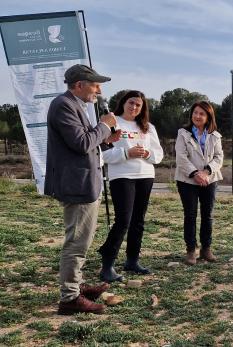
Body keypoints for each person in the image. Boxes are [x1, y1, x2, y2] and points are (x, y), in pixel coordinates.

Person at [45, 64, 122, 314]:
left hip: (85, 183)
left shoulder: (75, 105)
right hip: (77, 186)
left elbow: (86, 143)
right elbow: (81, 143)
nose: (99, 90)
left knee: (81, 240)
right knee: (77, 243)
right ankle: (69, 299)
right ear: (79, 85)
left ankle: (76, 286)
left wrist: (106, 140)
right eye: (95, 84)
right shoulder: (63, 105)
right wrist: (104, 126)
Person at [98, 91, 164, 282]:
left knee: (138, 221)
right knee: (123, 221)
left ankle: (132, 261)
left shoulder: (148, 127)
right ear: (123, 103)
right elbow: (103, 155)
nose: (134, 107)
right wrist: (127, 153)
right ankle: (107, 264)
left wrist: (145, 154)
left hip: (145, 175)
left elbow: (158, 155)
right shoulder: (112, 122)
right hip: (122, 176)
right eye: (131, 102)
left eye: (138, 105)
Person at [175, 101, 224, 265]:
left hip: (209, 179)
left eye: (202, 113)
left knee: (207, 215)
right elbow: (181, 157)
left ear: (208, 116)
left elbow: (219, 157)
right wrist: (195, 173)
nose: (198, 116)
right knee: (190, 215)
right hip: (187, 180)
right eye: (195, 113)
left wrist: (206, 172)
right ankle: (191, 250)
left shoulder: (215, 135)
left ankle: (206, 248)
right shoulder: (183, 133)